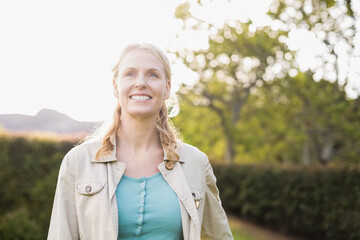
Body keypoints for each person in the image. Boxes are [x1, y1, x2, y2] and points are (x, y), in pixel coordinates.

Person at [47, 43, 233, 240]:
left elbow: (218, 236)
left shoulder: (196, 162)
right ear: (115, 86)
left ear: (167, 88)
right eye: (130, 74)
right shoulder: (78, 162)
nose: (141, 83)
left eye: (153, 74)